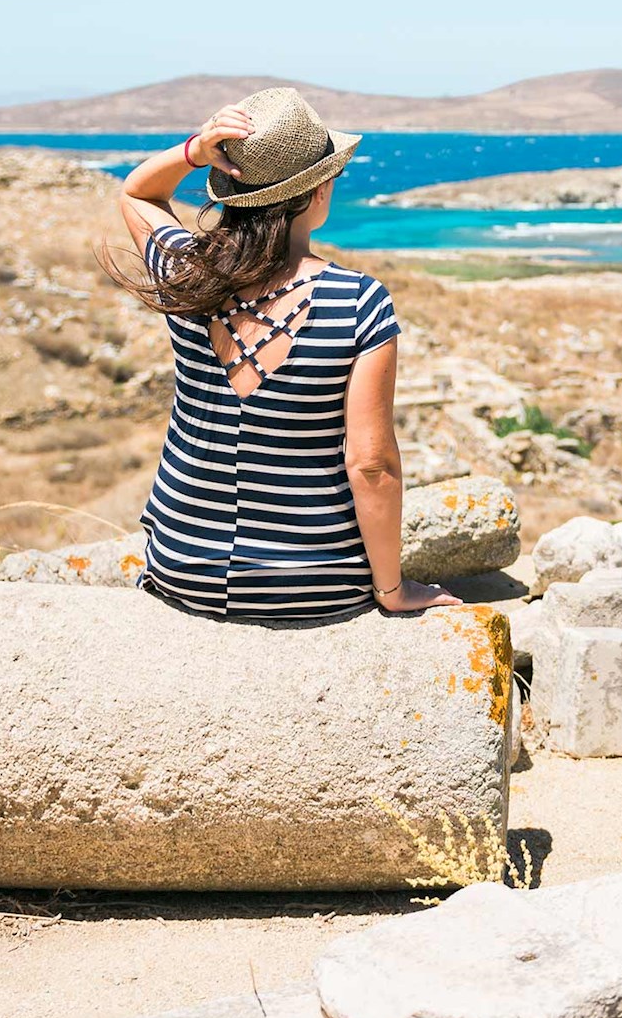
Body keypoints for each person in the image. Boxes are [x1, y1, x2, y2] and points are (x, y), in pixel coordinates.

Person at [109, 88, 458, 620]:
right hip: (314, 579)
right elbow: (370, 465)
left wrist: (194, 152)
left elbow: (136, 194)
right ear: (313, 193)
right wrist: (393, 592)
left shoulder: (188, 275)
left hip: (183, 567)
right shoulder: (359, 300)